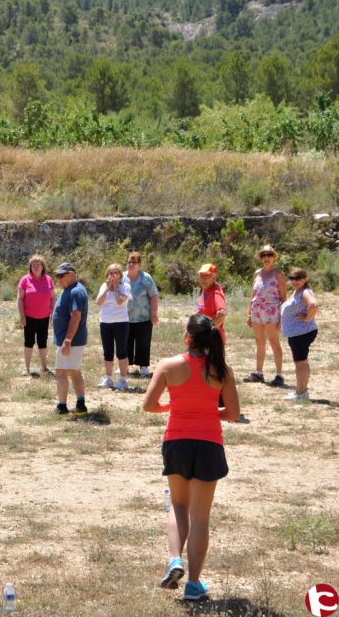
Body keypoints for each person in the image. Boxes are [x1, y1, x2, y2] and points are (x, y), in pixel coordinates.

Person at [142, 314, 240, 602]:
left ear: (187, 337)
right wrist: (208, 411)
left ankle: (175, 559)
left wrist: (172, 407)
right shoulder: (222, 370)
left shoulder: (168, 366)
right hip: (209, 444)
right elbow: (233, 413)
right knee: (200, 516)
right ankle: (193, 585)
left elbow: (148, 405)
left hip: (177, 442)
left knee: (177, 505)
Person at [243, 245, 287, 387]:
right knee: (259, 342)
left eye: (269, 255)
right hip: (257, 311)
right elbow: (253, 295)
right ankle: (258, 373)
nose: (266, 258)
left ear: (273, 258)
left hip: (272, 312)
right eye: (264, 255)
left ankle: (279, 375)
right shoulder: (257, 273)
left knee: (274, 342)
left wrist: (282, 317)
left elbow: (283, 298)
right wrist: (249, 313)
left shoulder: (278, 274)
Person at [52, 262, 88, 415]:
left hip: (70, 341)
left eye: (62, 275)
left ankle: (62, 406)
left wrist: (67, 341)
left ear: (72, 274)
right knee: (74, 372)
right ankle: (80, 405)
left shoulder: (75, 291)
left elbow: (76, 317)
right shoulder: (72, 289)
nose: (59, 279)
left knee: (61, 372)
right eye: (57, 276)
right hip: (71, 340)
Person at [280, 268, 319, 401]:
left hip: (301, 333)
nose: (295, 281)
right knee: (301, 362)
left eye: (298, 278)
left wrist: (308, 318)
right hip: (297, 333)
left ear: (305, 279)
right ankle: (301, 391)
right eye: (292, 278)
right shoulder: (297, 291)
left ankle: (301, 393)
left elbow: (314, 304)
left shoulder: (305, 292)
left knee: (300, 363)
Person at [17, 255, 55, 376]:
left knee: (42, 342)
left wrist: (53, 314)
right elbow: (20, 299)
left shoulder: (48, 279)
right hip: (29, 317)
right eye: (33, 264)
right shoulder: (25, 280)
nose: (36, 266)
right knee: (29, 342)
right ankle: (26, 368)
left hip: (44, 317)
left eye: (38, 264)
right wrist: (22, 316)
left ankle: (44, 368)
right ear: (30, 266)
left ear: (43, 266)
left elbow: (52, 298)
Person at [96, 264, 132, 391]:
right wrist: (107, 289)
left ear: (120, 275)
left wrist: (116, 288)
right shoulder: (103, 286)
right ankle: (108, 378)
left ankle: (123, 380)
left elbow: (120, 301)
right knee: (108, 352)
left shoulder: (125, 287)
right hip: (105, 322)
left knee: (121, 351)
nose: (112, 275)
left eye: (115, 273)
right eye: (110, 273)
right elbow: (98, 302)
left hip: (121, 322)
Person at [124, 252, 159, 378]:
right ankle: (124, 365)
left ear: (139, 264)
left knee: (143, 342)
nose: (131, 264)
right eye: (129, 262)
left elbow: (154, 295)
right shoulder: (122, 277)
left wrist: (154, 314)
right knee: (125, 342)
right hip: (124, 318)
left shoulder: (146, 278)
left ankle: (143, 366)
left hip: (144, 318)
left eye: (134, 262)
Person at [195, 264, 226, 342]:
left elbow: (221, 315)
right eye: (201, 276)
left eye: (206, 276)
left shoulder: (216, 293)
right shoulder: (206, 289)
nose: (202, 279)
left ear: (214, 277)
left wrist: (208, 331)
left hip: (212, 340)